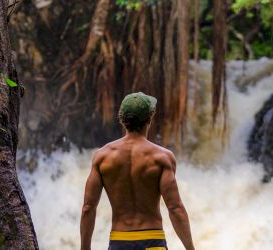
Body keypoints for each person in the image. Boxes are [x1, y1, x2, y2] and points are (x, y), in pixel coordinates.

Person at [80, 92, 195, 250]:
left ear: (122, 119)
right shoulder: (161, 157)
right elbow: (175, 208)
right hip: (152, 241)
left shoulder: (102, 157)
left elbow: (88, 207)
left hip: (119, 242)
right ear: (150, 118)